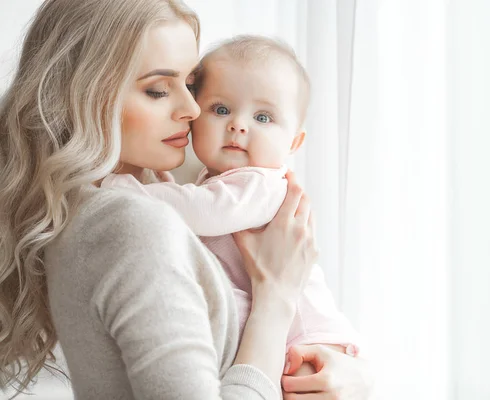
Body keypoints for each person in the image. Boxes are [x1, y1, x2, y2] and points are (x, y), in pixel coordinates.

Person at [0, 0, 372, 399]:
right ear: (82, 95)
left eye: (191, 85)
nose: (193, 109)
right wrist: (276, 298)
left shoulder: (148, 191)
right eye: (158, 90)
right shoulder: (134, 223)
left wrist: (358, 377)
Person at [101, 34, 361, 375]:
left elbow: (202, 212)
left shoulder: (262, 183)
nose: (238, 125)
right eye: (221, 109)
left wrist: (128, 190)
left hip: (308, 339)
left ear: (294, 142)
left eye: (263, 118)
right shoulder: (211, 181)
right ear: (195, 118)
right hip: (276, 333)